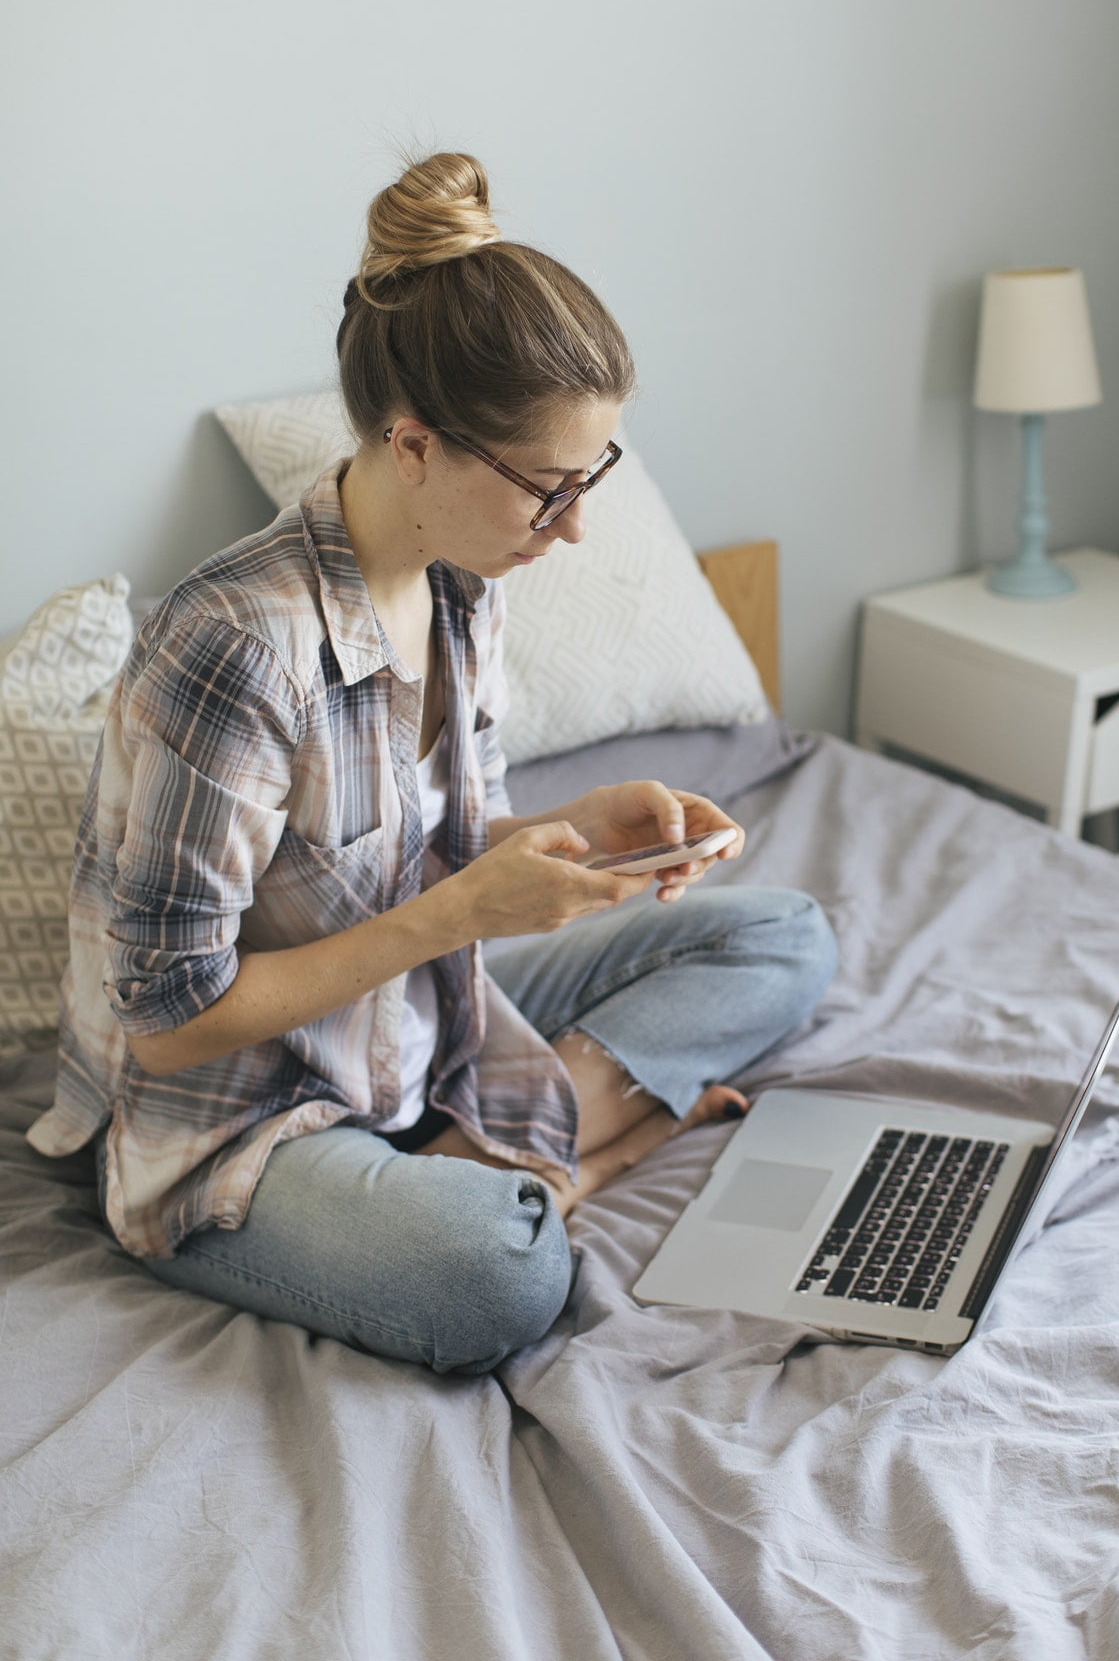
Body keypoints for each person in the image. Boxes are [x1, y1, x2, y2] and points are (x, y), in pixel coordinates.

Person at [27, 153, 838, 1375]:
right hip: (241, 1109)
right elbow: (169, 1023)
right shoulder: (235, 648)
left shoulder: (466, 582)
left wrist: (579, 832)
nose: (574, 527)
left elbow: (432, 848)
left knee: (784, 936)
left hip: (415, 1027)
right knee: (497, 1272)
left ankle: (507, 1148)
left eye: (591, 477)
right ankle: (559, 1156)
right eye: (548, 490)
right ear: (414, 445)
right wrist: (462, 913)